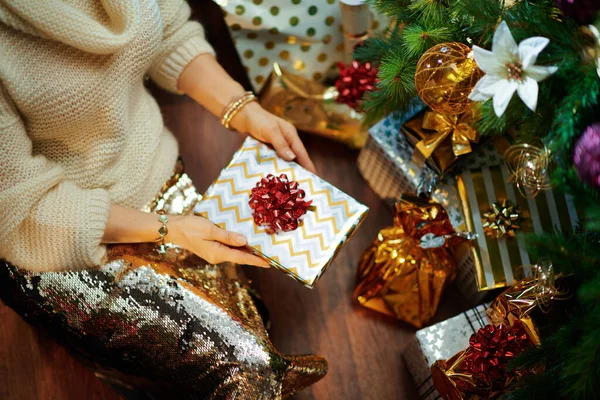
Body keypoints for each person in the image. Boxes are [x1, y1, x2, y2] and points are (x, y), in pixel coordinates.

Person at [0, 0, 326, 398]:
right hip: (58, 236)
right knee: (247, 370)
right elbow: (26, 210)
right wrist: (171, 230)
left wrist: (243, 110)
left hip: (158, 177)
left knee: (249, 324)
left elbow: (169, 34)